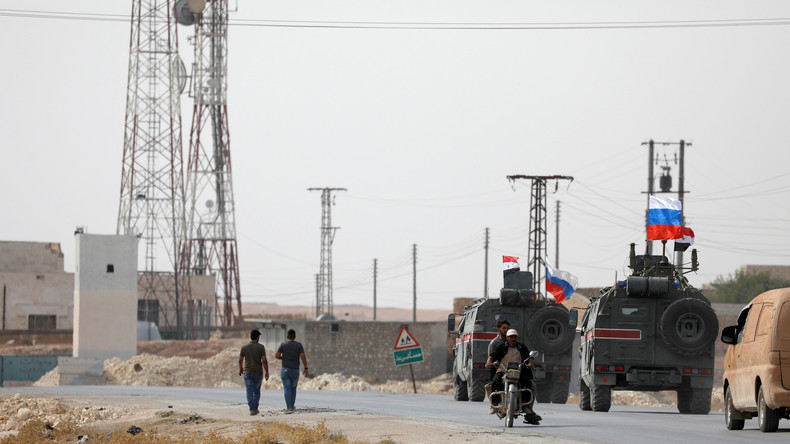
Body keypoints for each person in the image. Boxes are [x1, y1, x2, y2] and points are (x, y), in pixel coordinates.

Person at [485, 328, 541, 425]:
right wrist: (489, 362)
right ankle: (494, 404)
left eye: (514, 336)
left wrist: (530, 363)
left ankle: (526, 405)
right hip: (503, 370)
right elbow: (493, 355)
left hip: (518, 371)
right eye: (511, 337)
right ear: (507, 338)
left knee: (528, 382)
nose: (513, 339)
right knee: (495, 382)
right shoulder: (501, 347)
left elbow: (529, 357)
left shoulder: (522, 347)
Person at [275, 329, 308, 413]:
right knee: (293, 388)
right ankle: (292, 406)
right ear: (295, 337)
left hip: (285, 369)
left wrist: (283, 358)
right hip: (295, 370)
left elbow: (277, 355)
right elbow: (302, 356)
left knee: (287, 388)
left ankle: (289, 407)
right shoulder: (299, 345)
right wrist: (306, 368)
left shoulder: (283, 344)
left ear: (287, 337)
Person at [238, 329, 269, 416]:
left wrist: (240, 369)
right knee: (256, 391)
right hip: (258, 373)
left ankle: (252, 409)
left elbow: (240, 360)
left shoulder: (244, 347)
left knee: (249, 390)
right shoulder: (261, 347)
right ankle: (255, 407)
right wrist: (267, 372)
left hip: (247, 372)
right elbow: (264, 361)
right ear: (257, 337)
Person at [485, 319, 510, 414]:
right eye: (504, 328)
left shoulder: (512, 341)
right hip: (498, 368)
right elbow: (491, 357)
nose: (506, 330)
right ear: (498, 329)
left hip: (511, 368)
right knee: (495, 382)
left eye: (507, 328)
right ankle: (493, 404)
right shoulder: (494, 343)